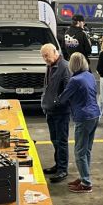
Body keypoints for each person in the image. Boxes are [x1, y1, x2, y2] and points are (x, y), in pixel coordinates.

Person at [57, 53, 100, 193]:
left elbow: (63, 98)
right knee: (86, 149)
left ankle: (86, 183)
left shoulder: (75, 80)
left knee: (79, 151)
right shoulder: (89, 75)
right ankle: (83, 177)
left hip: (83, 117)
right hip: (94, 115)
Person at [40, 44, 71, 183]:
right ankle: (58, 165)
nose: (45, 58)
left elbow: (68, 91)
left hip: (61, 112)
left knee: (61, 141)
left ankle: (62, 169)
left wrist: (57, 102)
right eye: (43, 56)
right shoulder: (50, 66)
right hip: (51, 110)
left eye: (47, 55)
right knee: (55, 140)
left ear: (55, 52)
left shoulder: (64, 67)